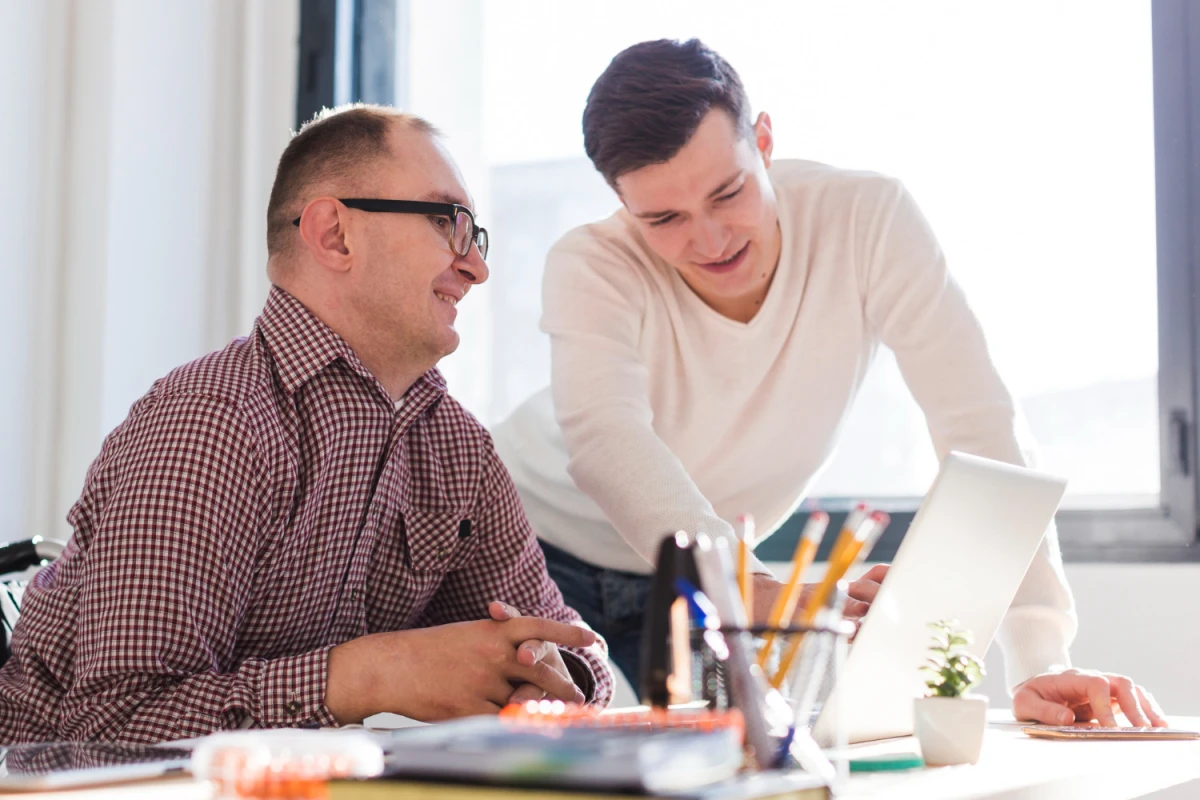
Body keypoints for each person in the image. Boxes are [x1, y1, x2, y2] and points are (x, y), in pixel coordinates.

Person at [493, 39, 1164, 728]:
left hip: (712, 574)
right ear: (619, 199)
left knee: (757, 766)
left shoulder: (866, 220)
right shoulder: (591, 263)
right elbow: (609, 439)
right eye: (664, 218)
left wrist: (1041, 656)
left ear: (764, 140)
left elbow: (979, 422)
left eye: (729, 192)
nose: (712, 238)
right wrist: (749, 587)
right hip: (539, 552)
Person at [0, 105, 612, 745]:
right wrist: (368, 677)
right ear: (334, 235)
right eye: (445, 221)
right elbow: (109, 732)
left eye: (473, 234)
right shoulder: (212, 421)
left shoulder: (458, 449)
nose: (476, 267)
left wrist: (545, 673)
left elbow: (580, 660)